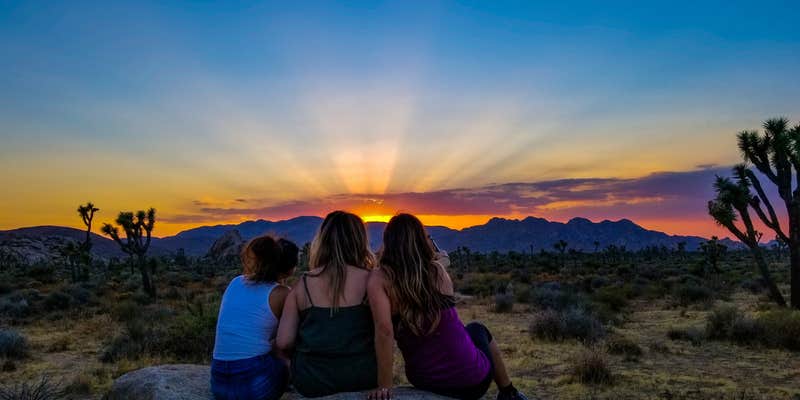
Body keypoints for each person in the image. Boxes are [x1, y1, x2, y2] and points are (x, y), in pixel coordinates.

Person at [367, 213, 529, 400]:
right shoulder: (438, 272)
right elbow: (424, 282)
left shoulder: (379, 279)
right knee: (477, 329)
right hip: (473, 382)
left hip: (424, 379)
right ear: (420, 241)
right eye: (427, 238)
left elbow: (385, 331)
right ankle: (509, 392)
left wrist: (385, 386)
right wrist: (440, 262)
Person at [277, 211, 377, 397]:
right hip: (363, 378)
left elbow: (283, 342)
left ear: (322, 240)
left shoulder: (303, 285)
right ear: (359, 240)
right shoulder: (372, 281)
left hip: (312, 381)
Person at [210, 235, 298, 400]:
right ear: (289, 267)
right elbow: (286, 341)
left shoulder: (236, 282)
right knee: (284, 347)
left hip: (218, 382)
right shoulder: (282, 294)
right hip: (254, 388)